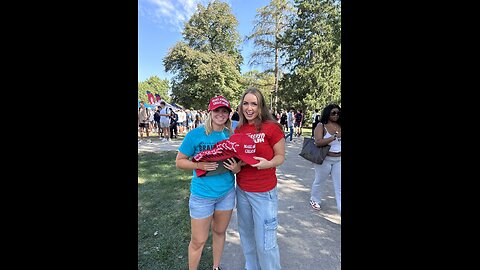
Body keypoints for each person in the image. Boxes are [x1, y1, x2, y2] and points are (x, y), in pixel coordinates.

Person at [176, 95, 240, 270]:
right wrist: (199, 164)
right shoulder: (195, 135)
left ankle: (216, 267)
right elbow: (180, 161)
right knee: (198, 241)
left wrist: (237, 169)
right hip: (202, 195)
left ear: (229, 113)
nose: (221, 114)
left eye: (224, 111)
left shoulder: (232, 136)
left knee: (219, 232)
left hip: (226, 193)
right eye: (217, 110)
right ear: (210, 112)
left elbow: (239, 162)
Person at [234, 87, 285, 269]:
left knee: (266, 243)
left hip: (264, 193)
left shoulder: (272, 128)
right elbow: (240, 159)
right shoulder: (238, 129)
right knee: (247, 237)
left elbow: (280, 156)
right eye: (245, 103)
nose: (249, 108)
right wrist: (236, 167)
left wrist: (267, 163)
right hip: (242, 191)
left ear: (261, 106)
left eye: (253, 104)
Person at [310, 104, 341, 215]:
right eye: (333, 113)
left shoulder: (340, 125)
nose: (336, 115)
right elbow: (318, 142)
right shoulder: (321, 125)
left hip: (339, 159)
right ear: (327, 113)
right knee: (320, 181)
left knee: (339, 186)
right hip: (325, 159)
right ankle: (315, 199)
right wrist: (333, 137)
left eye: (338, 113)